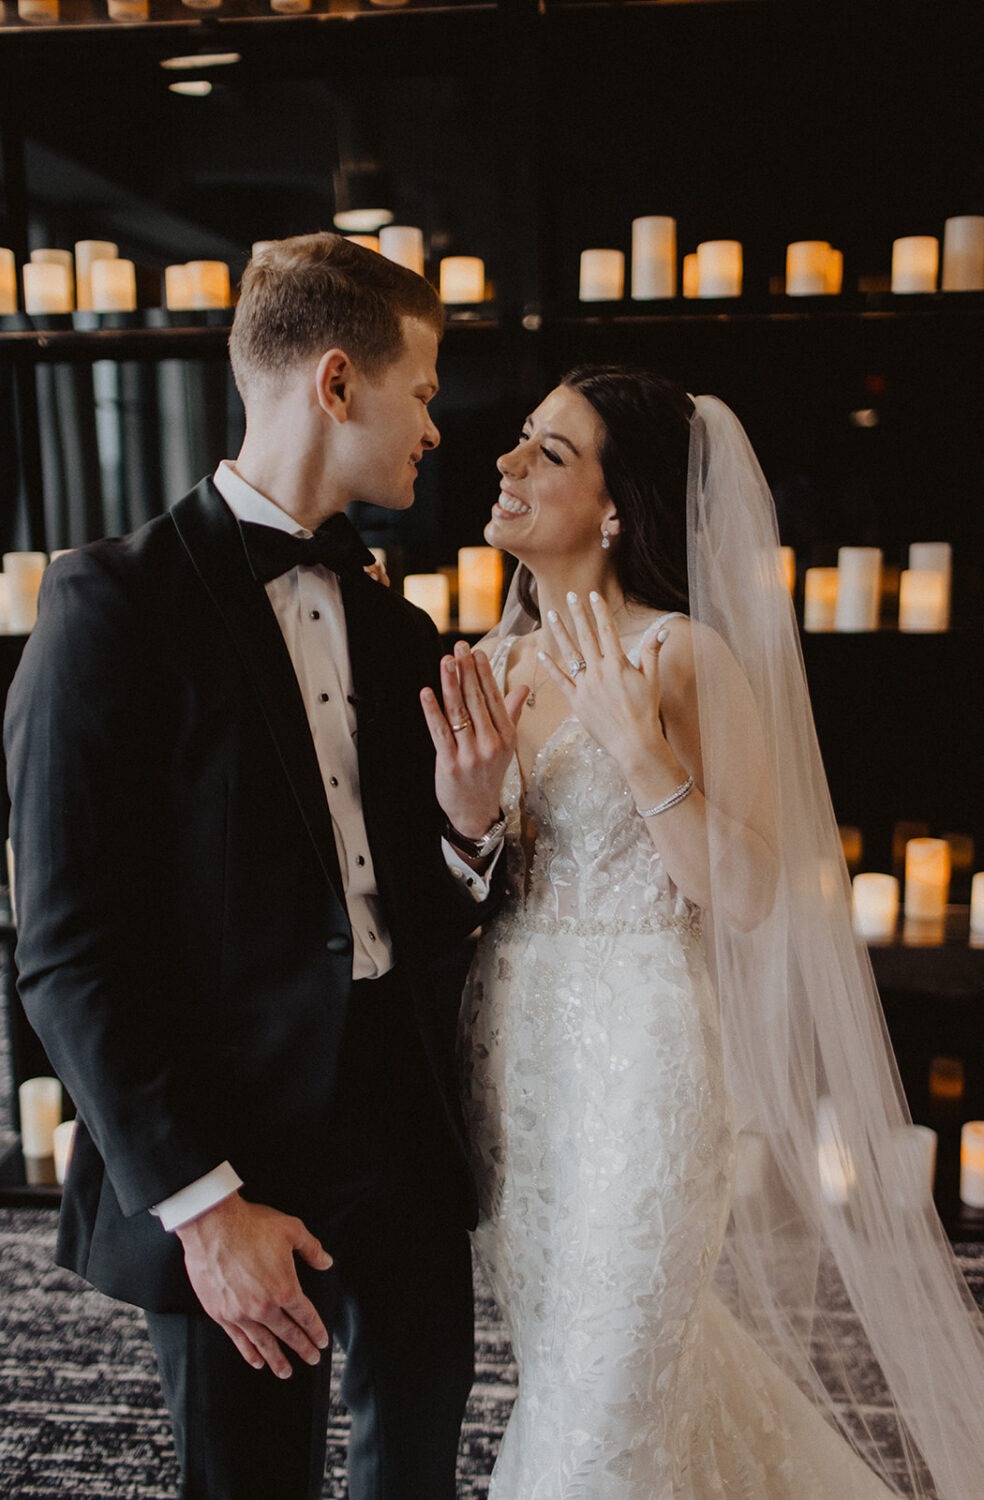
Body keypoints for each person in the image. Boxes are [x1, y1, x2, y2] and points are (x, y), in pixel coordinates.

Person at [4, 232, 526, 1500]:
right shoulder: (108, 607)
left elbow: (430, 903)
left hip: (398, 1124)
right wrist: (203, 1208)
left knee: (414, 1469)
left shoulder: (399, 628)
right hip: (221, 1137)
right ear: (337, 384)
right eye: (425, 389)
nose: (438, 429)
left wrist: (467, 829)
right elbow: (69, 953)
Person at [422, 366, 984, 1498]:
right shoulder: (493, 663)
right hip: (517, 1062)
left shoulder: (683, 655)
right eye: (518, 441)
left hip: (649, 1062)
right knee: (579, 1370)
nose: (506, 463)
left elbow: (751, 895)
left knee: (605, 1394)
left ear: (618, 506)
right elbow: (464, 889)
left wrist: (641, 755)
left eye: (549, 452)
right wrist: (466, 820)